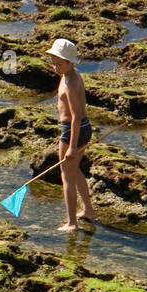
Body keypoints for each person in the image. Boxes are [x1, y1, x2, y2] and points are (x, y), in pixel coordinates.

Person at [45, 39, 97, 232]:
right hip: (82, 128)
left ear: (70, 62)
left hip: (73, 130)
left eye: (59, 63)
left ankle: (71, 223)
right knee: (74, 171)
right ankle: (89, 211)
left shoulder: (71, 83)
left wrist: (72, 147)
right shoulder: (69, 75)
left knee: (66, 175)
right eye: (53, 62)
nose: (55, 67)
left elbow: (75, 117)